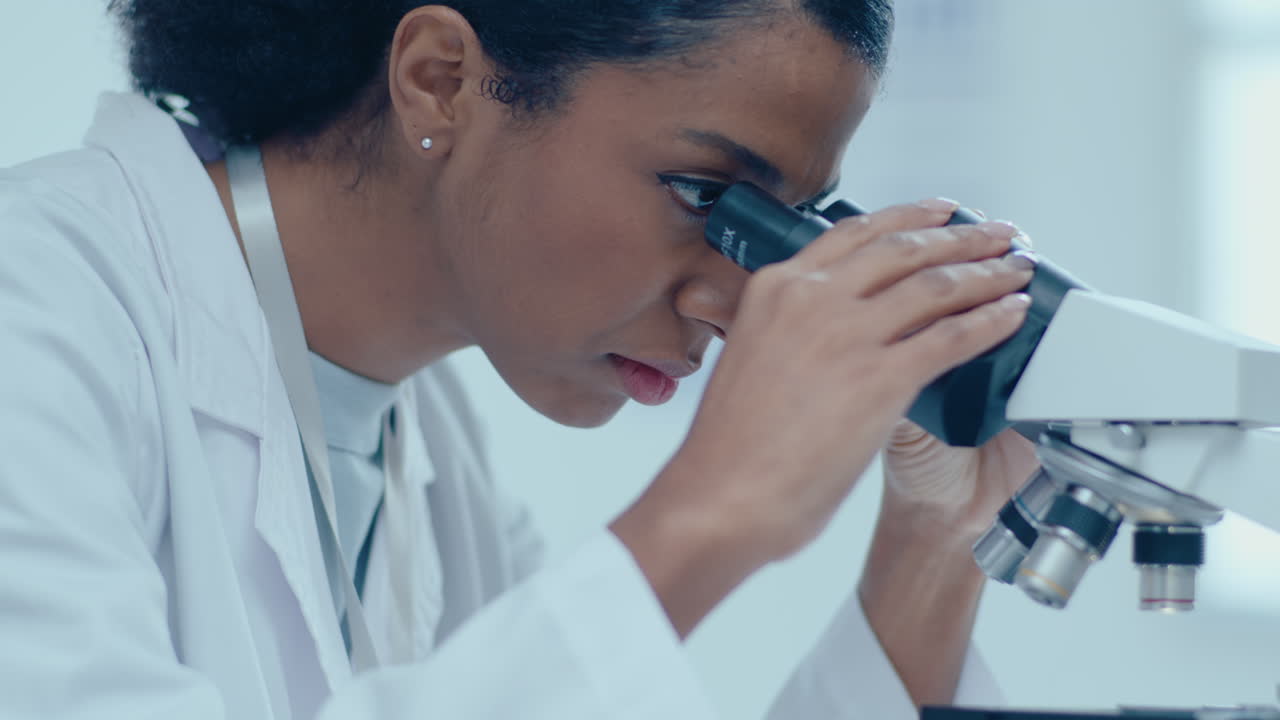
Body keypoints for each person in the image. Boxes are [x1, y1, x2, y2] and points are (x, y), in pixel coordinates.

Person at [0, 1, 1040, 718]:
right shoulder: (37, 304)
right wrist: (708, 516)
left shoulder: (430, 464)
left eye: (789, 227)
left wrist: (932, 537)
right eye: (701, 195)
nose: (739, 300)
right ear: (441, 80)